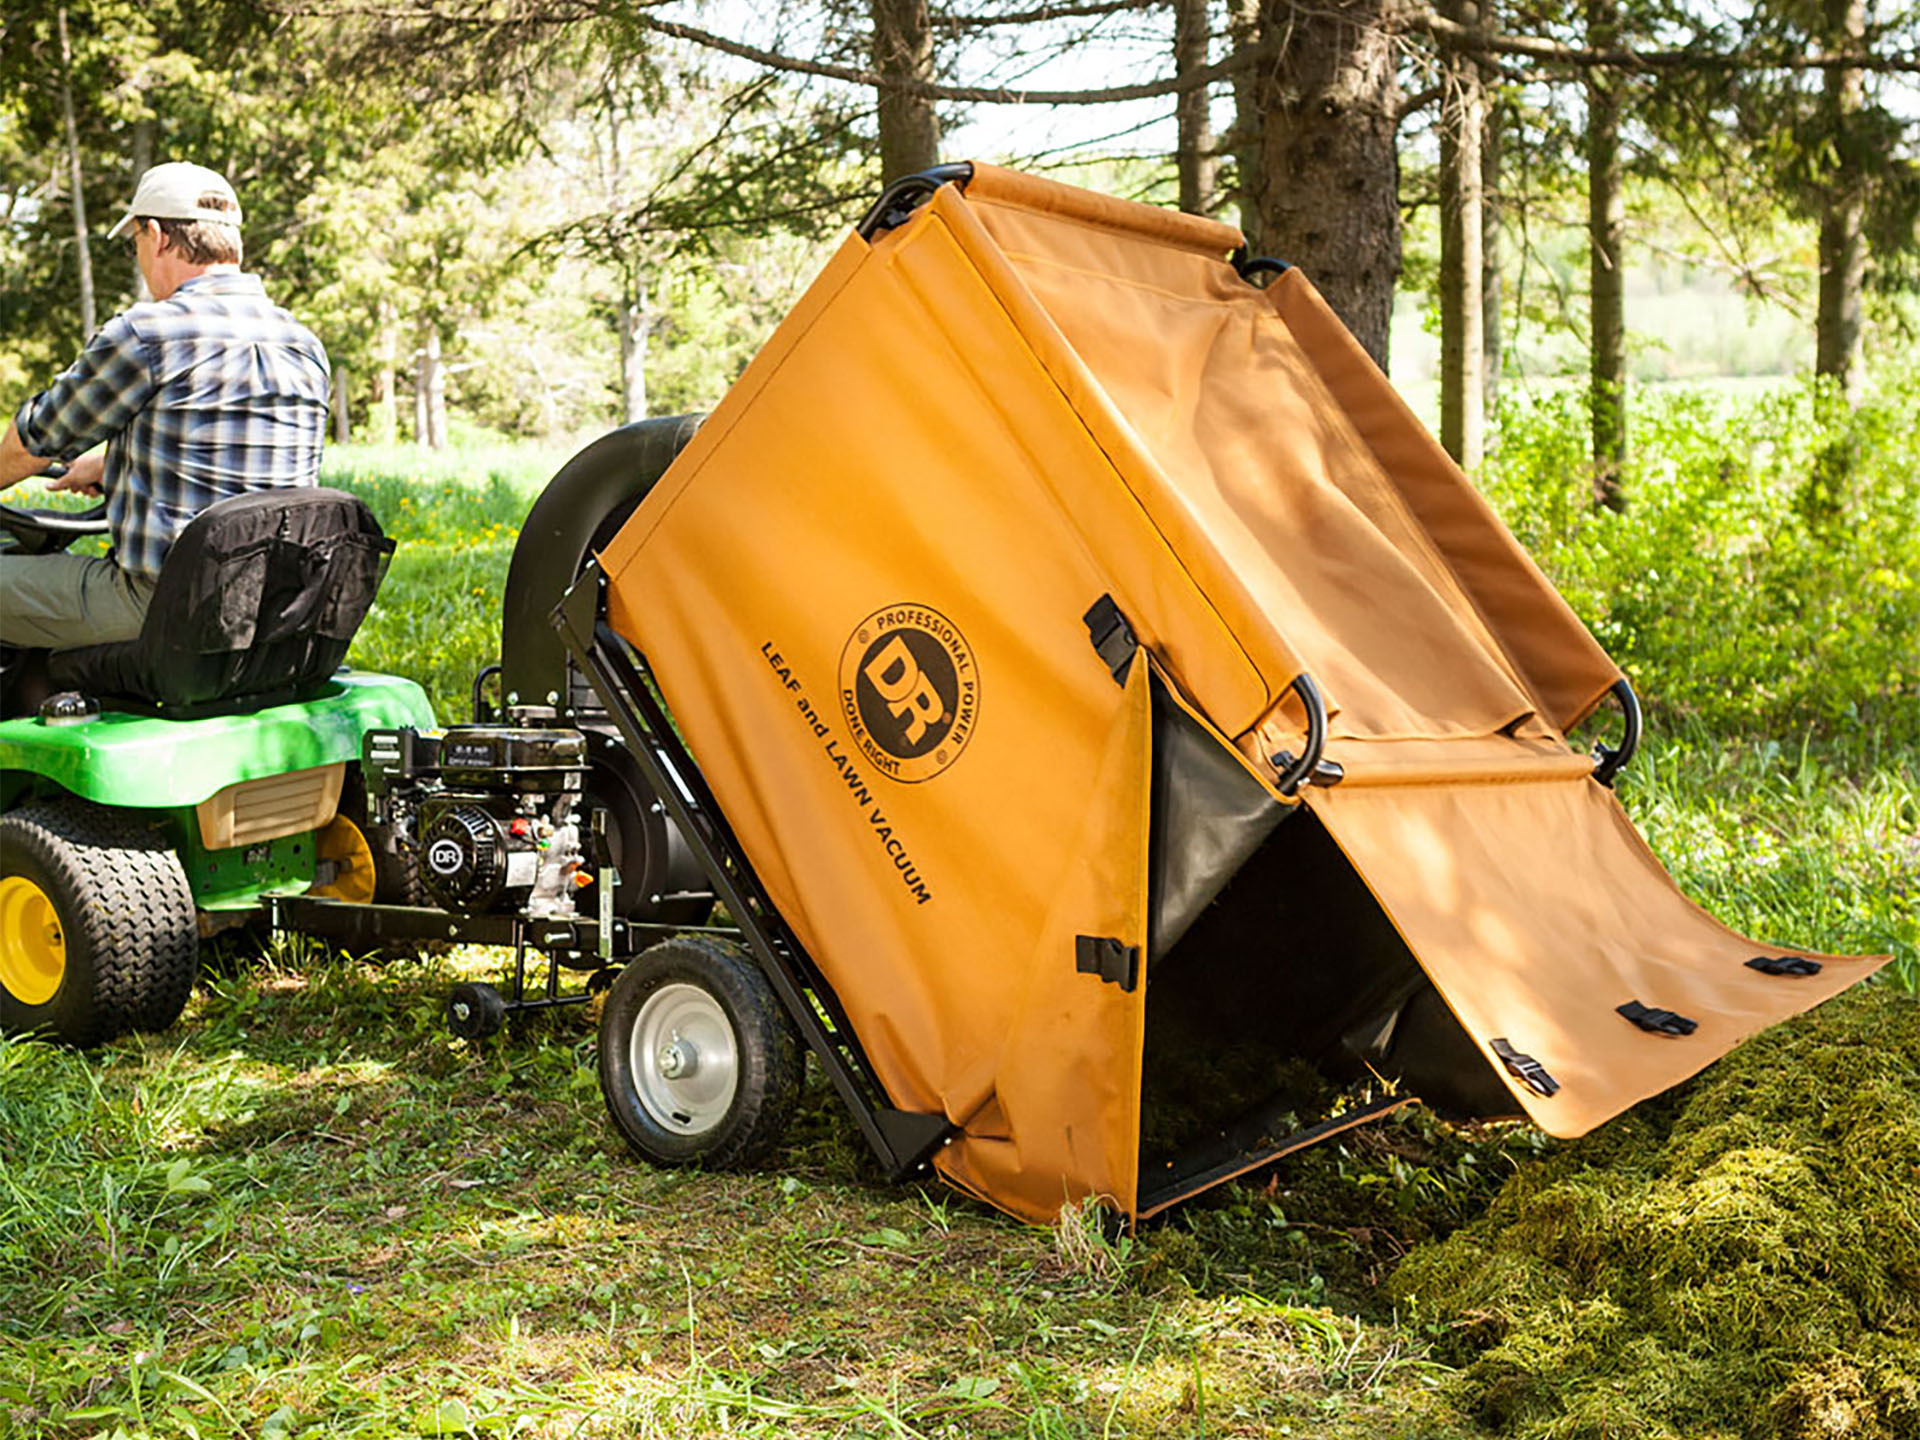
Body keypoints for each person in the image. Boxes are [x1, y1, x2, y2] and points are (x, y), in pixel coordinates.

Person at [0, 161, 331, 649]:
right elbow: (232, 452)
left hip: (160, 609)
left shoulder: (147, 336)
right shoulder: (303, 346)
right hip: (272, 614)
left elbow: (33, 444)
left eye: (135, 242)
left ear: (155, 235)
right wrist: (114, 460)